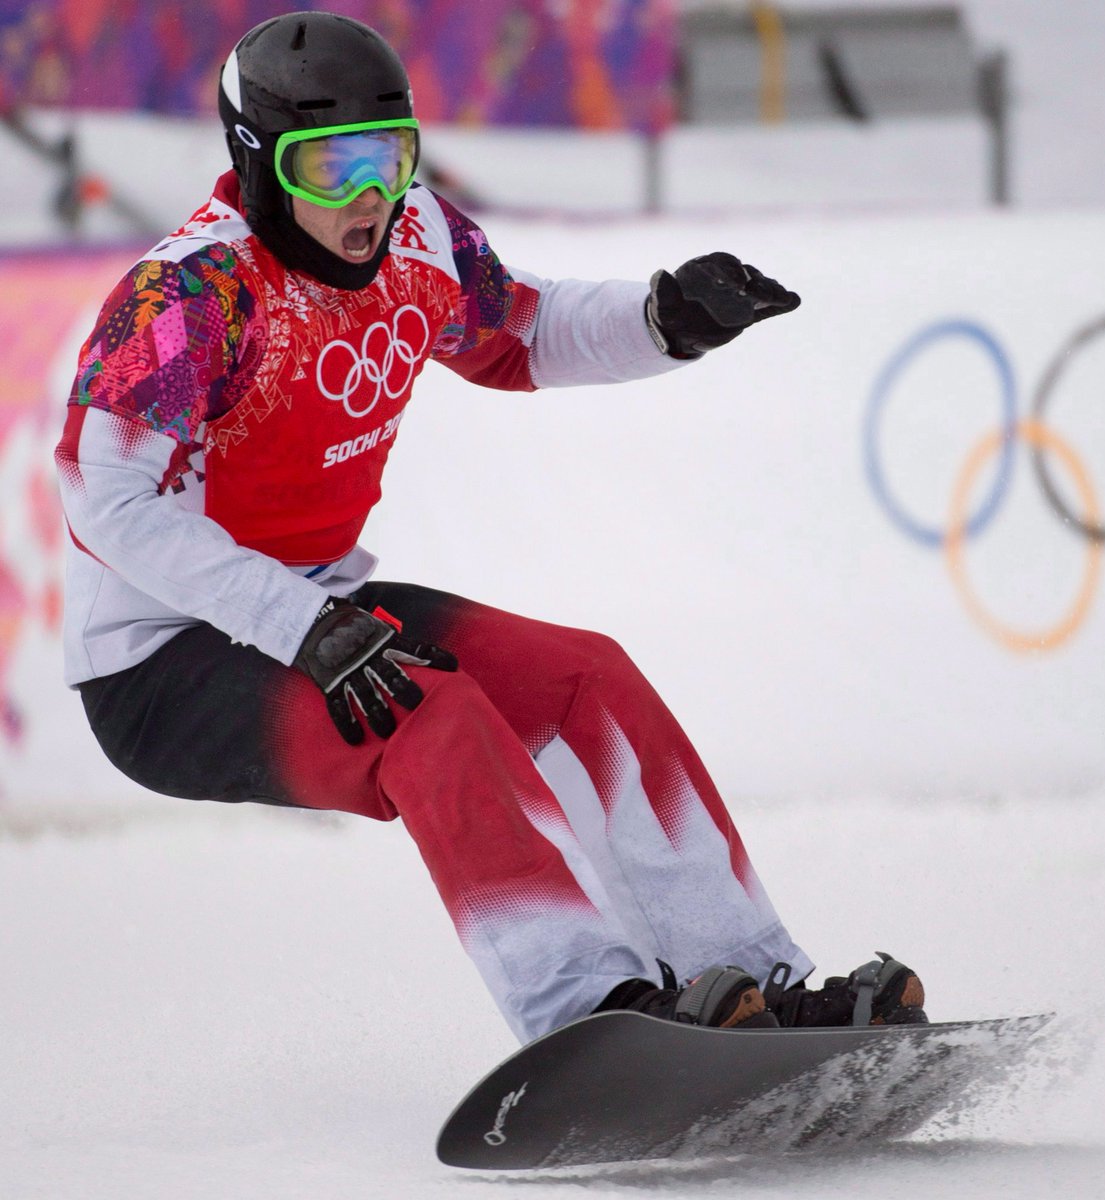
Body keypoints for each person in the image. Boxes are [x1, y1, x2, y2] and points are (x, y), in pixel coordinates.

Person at [54, 11, 926, 1044]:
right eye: (329, 166)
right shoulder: (190, 294)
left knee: (585, 679)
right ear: (257, 165)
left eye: (390, 157)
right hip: (161, 659)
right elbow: (108, 499)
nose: (370, 196)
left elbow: (522, 330)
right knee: (429, 718)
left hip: (321, 614)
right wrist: (298, 624)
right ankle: (588, 1018)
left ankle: (748, 985)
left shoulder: (418, 238)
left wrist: (661, 320)